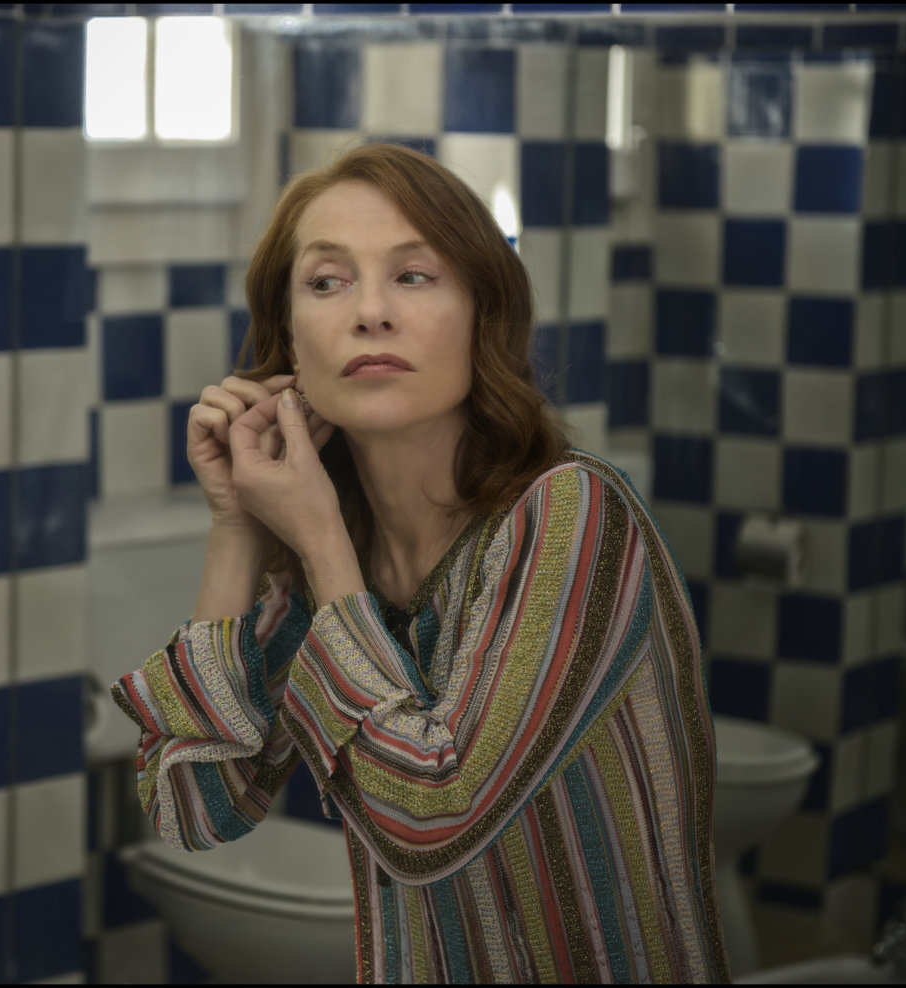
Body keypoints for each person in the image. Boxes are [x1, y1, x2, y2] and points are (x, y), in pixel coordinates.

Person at [110, 142, 730, 984]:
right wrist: (237, 526)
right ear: (288, 337)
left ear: (485, 313)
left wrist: (323, 545)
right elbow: (190, 811)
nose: (370, 313)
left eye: (414, 276)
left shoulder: (572, 516)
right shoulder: (331, 559)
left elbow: (431, 816)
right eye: (327, 282)